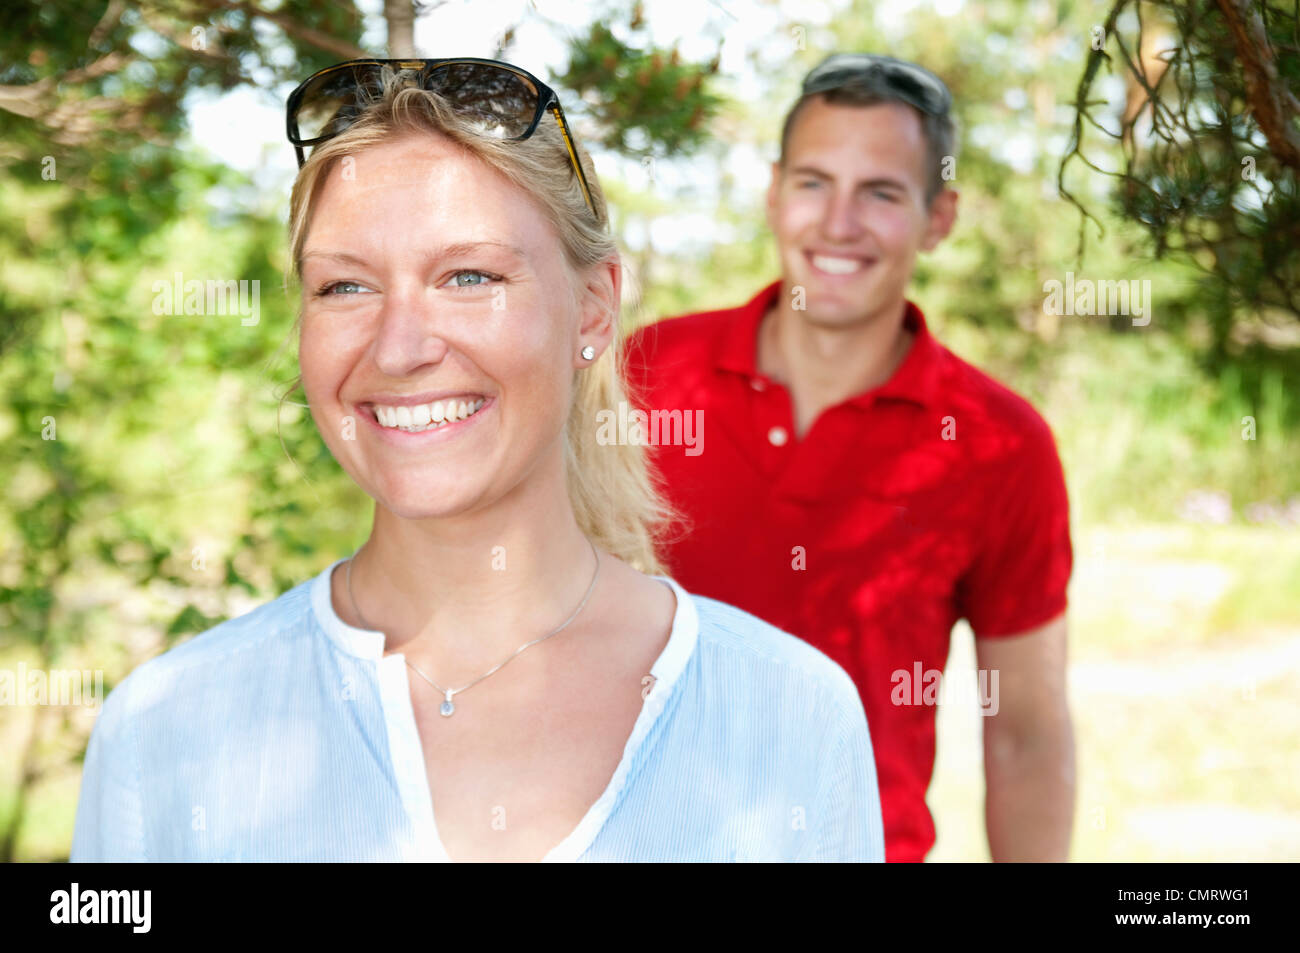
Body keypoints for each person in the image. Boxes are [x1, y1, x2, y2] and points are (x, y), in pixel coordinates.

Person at [69, 59, 885, 862]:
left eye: (469, 275)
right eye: (345, 287)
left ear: (593, 309)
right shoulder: (164, 731)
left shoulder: (790, 715)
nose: (400, 346)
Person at [625, 53, 1075, 862]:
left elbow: (1027, 737)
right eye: (813, 182)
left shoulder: (1002, 442)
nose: (838, 223)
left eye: (881, 192)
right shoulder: (644, 376)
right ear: (772, 192)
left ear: (940, 217)